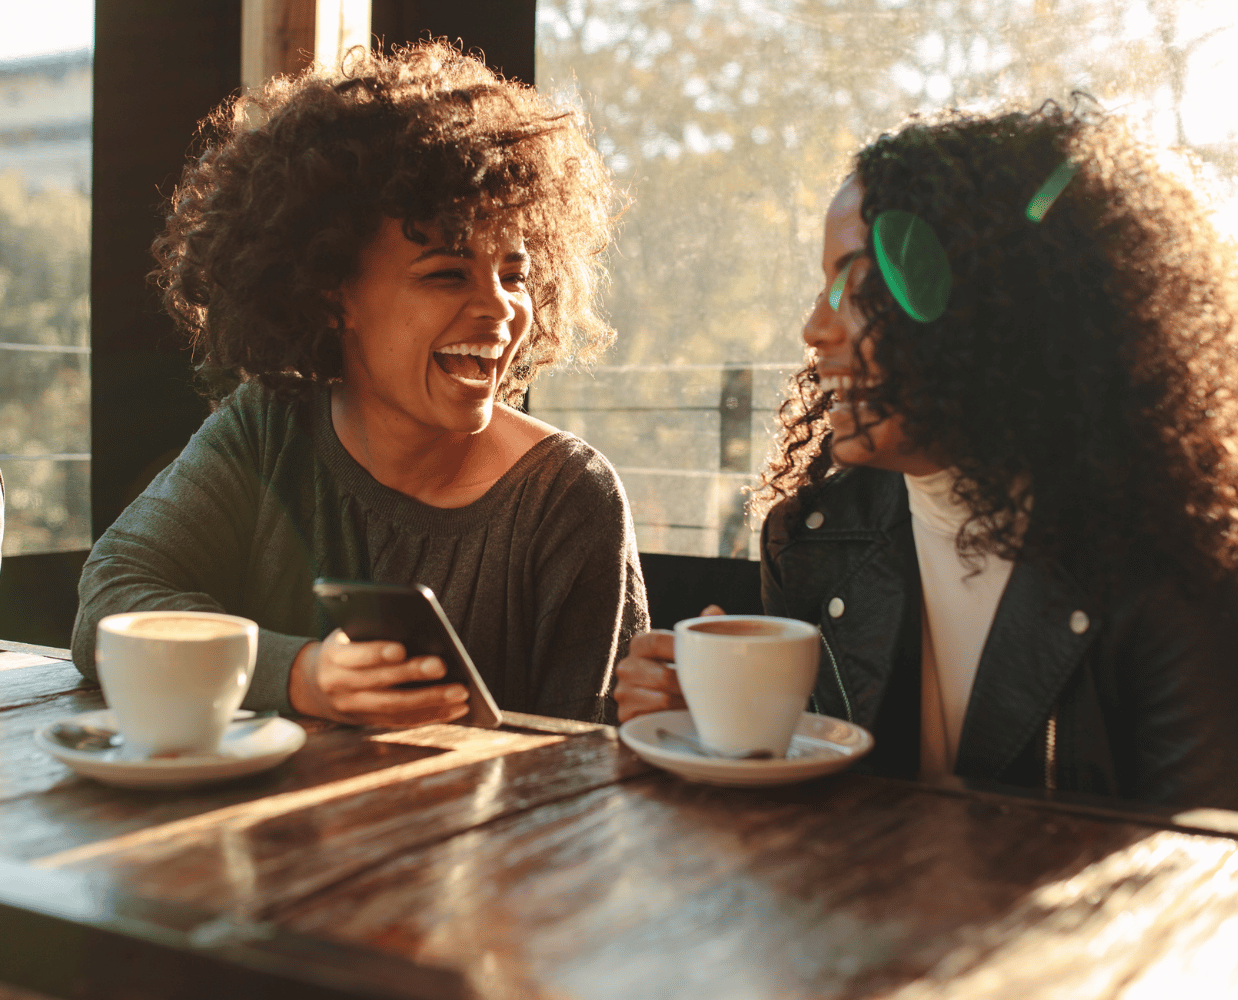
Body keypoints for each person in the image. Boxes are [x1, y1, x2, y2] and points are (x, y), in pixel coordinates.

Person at [616, 101, 1238, 807]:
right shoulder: (815, 540)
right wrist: (713, 728)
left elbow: (1204, 877)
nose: (816, 327)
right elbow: (803, 819)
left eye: (863, 284)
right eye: (824, 286)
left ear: (1002, 307)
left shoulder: (1175, 567)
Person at [73, 42, 648, 727]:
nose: (501, 309)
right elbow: (111, 604)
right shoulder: (268, 428)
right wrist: (301, 675)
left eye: (516, 274)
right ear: (330, 291)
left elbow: (593, 768)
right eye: (446, 272)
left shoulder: (568, 497)